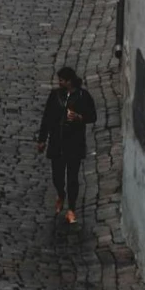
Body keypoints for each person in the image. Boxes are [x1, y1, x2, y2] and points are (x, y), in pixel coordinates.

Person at [37, 64, 96, 225]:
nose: (59, 83)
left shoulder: (83, 96)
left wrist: (79, 118)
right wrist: (42, 139)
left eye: (62, 80)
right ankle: (60, 194)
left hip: (74, 143)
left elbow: (92, 116)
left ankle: (71, 209)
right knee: (57, 176)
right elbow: (47, 118)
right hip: (57, 142)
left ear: (70, 81)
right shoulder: (55, 96)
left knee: (72, 178)